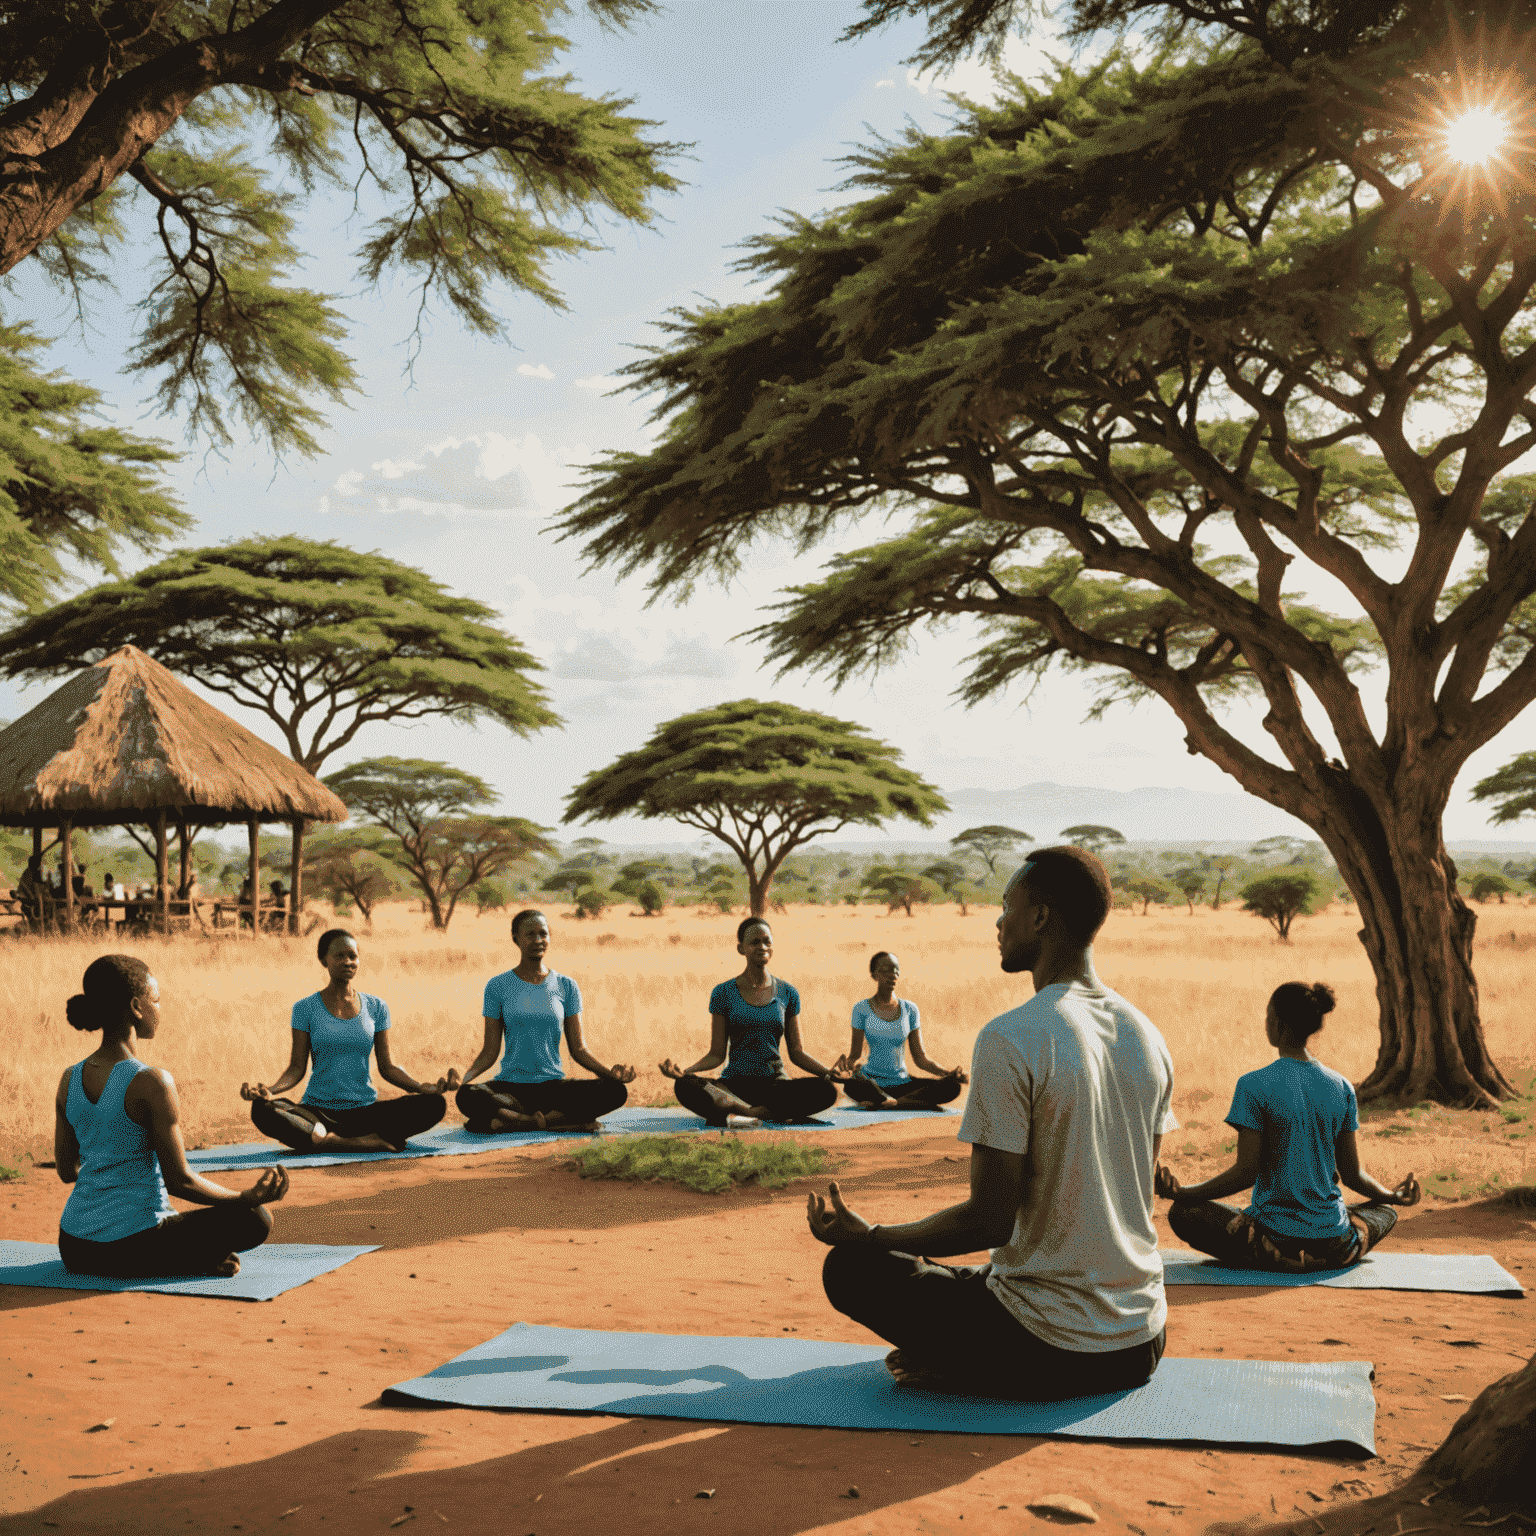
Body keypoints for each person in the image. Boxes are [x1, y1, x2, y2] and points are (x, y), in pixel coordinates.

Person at [807, 847, 1176, 1400]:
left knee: (850, 1268)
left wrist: (875, 1236)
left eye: (1008, 905)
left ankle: (976, 1363)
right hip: (1142, 1340)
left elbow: (989, 1223)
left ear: (1041, 917)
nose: (998, 922)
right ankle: (976, 1346)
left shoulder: (1012, 1036)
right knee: (975, 1278)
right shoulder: (1146, 1034)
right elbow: (1139, 1192)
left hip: (1055, 1346)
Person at [1155, 982, 1420, 1271]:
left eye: (1268, 1016)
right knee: (1385, 1211)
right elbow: (1353, 1175)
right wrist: (1392, 1196)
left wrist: (1184, 1193)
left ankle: (1277, 1256)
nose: (1265, 1023)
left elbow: (1245, 1174)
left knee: (1184, 1213)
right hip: (1335, 1244)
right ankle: (1330, 1248)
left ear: (1278, 1024)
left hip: (1273, 1242)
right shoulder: (1341, 1085)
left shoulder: (1253, 1085)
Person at [54, 955, 287, 1278]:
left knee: (186, 1225)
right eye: (156, 999)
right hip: (133, 1243)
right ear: (137, 1006)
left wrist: (108, 1180)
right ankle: (186, 1259)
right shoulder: (151, 1081)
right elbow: (180, 1180)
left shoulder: (69, 1078)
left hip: (75, 1249)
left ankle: (179, 1258)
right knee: (255, 1218)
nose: (159, 1008)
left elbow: (68, 1171)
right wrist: (243, 1197)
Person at [241, 929, 452, 1153]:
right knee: (262, 1109)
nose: (348, 962)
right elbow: (296, 1068)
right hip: (318, 1113)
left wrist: (421, 1087)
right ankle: (353, 1141)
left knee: (435, 1104)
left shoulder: (376, 1007)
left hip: (365, 1112)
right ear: (324, 960)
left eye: (353, 956)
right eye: (339, 956)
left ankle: (328, 1141)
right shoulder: (304, 1009)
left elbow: (387, 1067)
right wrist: (271, 1090)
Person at [456, 910, 635, 1132]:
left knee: (615, 1091)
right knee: (467, 1095)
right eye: (530, 934)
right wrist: (463, 1079)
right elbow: (489, 1052)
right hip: (511, 1091)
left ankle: (512, 1122)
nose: (538, 940)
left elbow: (579, 1049)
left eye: (543, 933)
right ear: (516, 938)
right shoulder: (497, 986)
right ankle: (560, 1122)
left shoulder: (566, 985)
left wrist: (612, 1075)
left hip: (554, 1090)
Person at [661, 917, 845, 1127]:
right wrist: (686, 1072)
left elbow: (797, 1053)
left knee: (827, 1090)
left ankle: (742, 1111)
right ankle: (761, 1112)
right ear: (741, 948)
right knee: (684, 1086)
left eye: (767, 941)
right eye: (754, 942)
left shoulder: (788, 993)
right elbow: (716, 1054)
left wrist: (830, 1073)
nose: (762, 947)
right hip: (733, 1086)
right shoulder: (723, 993)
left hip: (776, 1087)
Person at [838, 951, 967, 1110]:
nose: (892, 975)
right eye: (885, 970)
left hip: (904, 1083)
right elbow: (855, 1055)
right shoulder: (861, 1009)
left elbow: (921, 1059)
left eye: (895, 970)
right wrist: (847, 1065)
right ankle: (903, 1101)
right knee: (851, 1084)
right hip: (871, 1084)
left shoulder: (910, 1010)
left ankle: (891, 1102)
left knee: (952, 1087)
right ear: (874, 975)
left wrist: (948, 1073)